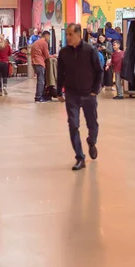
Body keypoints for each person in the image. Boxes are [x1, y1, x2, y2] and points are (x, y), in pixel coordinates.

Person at [57, 23, 103, 171]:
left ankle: (91, 141)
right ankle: (80, 157)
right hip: (72, 94)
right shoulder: (63, 52)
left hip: (89, 94)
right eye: (67, 35)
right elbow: (60, 73)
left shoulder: (90, 50)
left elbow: (99, 71)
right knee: (73, 125)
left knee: (92, 124)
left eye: (70, 34)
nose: (68, 37)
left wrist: (95, 90)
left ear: (78, 34)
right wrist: (59, 91)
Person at [31, 31, 51, 102]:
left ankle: (42, 95)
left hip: (34, 63)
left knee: (40, 79)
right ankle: (38, 97)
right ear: (46, 36)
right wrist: (53, 56)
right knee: (41, 80)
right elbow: (47, 55)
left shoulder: (36, 42)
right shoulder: (44, 43)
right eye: (49, 37)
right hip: (39, 63)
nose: (49, 38)